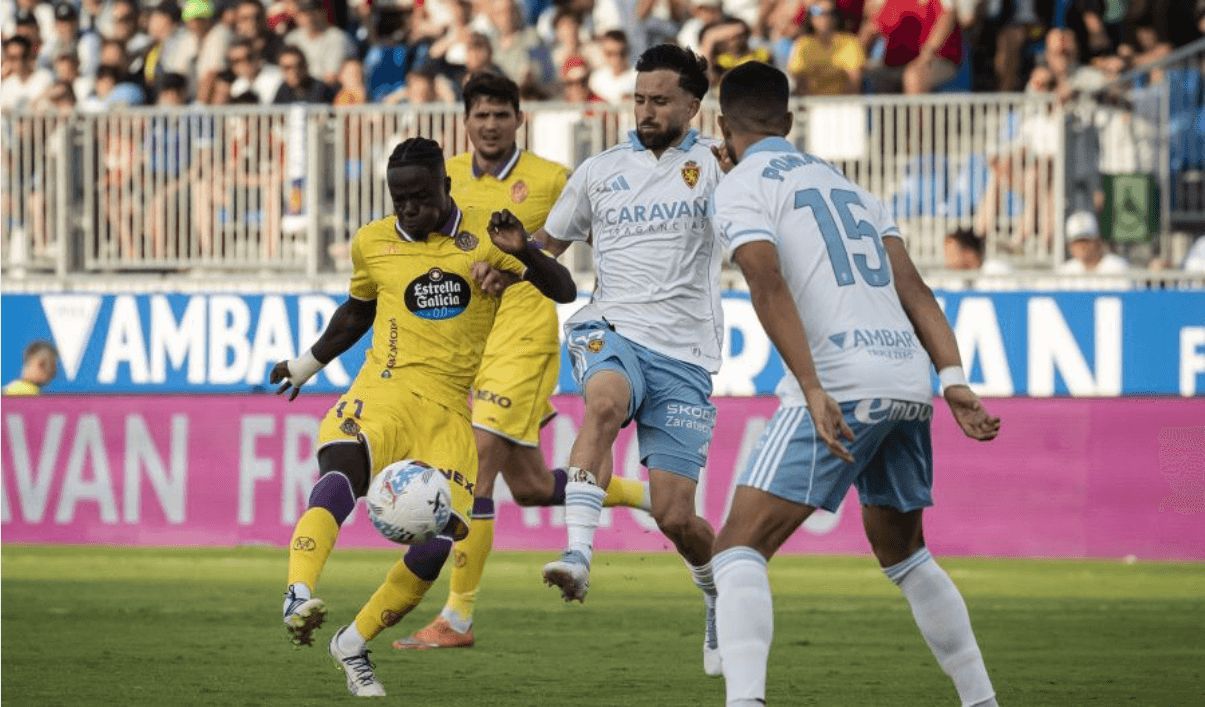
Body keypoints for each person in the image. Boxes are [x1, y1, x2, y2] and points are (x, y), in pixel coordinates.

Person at [708, 60, 998, 707]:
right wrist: (951, 379)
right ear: (787, 119)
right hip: (905, 378)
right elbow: (915, 291)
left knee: (736, 547)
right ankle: (981, 700)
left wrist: (811, 386)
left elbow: (765, 280)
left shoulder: (740, 186)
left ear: (721, 127)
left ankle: (744, 701)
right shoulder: (853, 189)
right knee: (904, 553)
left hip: (840, 378)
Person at [270, 137, 577, 697]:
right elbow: (357, 311)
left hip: (447, 411)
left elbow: (564, 288)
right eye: (399, 199)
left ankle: (353, 642)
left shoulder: (489, 232)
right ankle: (296, 593)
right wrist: (305, 364)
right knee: (341, 472)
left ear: (447, 186)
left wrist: (525, 251)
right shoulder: (373, 241)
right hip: (382, 391)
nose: (408, 209)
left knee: (440, 544)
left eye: (420, 197)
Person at [394, 73, 651, 651]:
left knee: (475, 464)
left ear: (519, 119)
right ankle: (650, 498)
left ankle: (457, 618)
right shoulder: (445, 178)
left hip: (524, 339)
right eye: (480, 114)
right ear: (465, 120)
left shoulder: (552, 179)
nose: (490, 124)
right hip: (463, 345)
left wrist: (519, 257)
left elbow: (575, 244)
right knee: (532, 486)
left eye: (500, 114)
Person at [516, 44, 728, 675]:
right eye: (639, 98)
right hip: (610, 328)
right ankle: (579, 555)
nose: (645, 110)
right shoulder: (599, 170)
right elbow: (548, 245)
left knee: (675, 516)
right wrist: (511, 259)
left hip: (686, 355)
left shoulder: (719, 166)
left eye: (660, 100)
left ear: (693, 104)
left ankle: (717, 593)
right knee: (603, 404)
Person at [787, 0, 865, 95]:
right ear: (811, 18)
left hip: (843, 104)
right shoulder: (803, 44)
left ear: (836, 17)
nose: (823, 18)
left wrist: (838, 105)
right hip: (811, 104)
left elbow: (854, 81)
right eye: (817, 12)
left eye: (828, 13)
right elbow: (799, 79)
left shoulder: (850, 42)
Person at [1056, 210, 1130, 275]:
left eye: (1086, 240)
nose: (1082, 246)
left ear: (1098, 241)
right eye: (1077, 242)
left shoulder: (1117, 267)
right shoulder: (1065, 272)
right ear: (1070, 246)